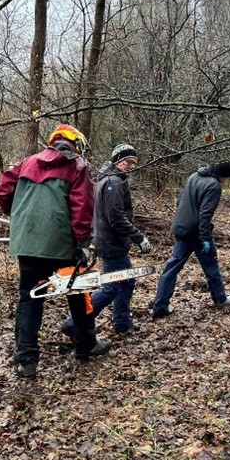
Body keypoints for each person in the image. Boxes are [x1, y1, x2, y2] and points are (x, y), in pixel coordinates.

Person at [0, 123, 111, 379]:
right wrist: (83, 242)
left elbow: (2, 191)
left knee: (29, 299)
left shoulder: (26, 163)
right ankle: (86, 345)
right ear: (76, 143)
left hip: (28, 245)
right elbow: (82, 208)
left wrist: (20, 216)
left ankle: (26, 360)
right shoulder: (77, 166)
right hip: (63, 245)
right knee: (78, 292)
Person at [63, 143, 152, 339]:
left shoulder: (110, 179)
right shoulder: (113, 183)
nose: (131, 166)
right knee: (112, 287)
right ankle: (75, 323)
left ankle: (122, 323)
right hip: (111, 243)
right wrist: (138, 237)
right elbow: (116, 218)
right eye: (128, 162)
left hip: (109, 241)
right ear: (118, 160)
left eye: (134, 163)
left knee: (126, 282)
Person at [152, 160, 230, 317]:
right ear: (224, 175)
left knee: (171, 268)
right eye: (227, 177)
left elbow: (180, 201)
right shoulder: (214, 186)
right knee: (211, 265)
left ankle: (160, 306)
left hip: (181, 228)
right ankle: (220, 298)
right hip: (196, 232)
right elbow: (205, 214)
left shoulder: (194, 176)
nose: (226, 181)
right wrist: (205, 238)